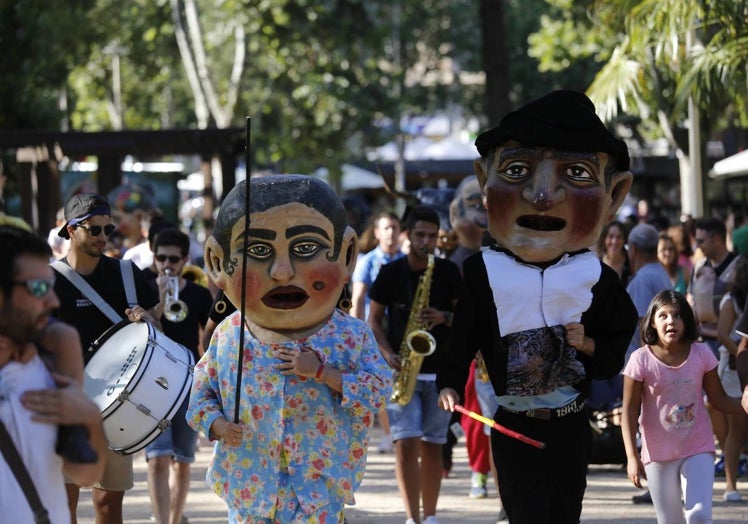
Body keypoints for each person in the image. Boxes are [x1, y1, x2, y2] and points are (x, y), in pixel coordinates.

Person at [436, 89, 639, 524]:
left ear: (614, 195)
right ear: (484, 181)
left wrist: (587, 346)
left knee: (565, 514)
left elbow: (611, 353)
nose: (543, 195)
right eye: (515, 169)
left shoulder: (598, 280)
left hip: (569, 423)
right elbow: (463, 338)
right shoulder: (482, 273)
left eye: (577, 173)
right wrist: (449, 384)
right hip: (513, 423)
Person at [187, 175, 391, 523]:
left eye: (306, 248)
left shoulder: (351, 336)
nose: (282, 272)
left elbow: (381, 390)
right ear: (218, 263)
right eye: (258, 251)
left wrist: (324, 373)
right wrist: (217, 424)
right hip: (250, 487)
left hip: (318, 490)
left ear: (347, 254)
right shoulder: (229, 335)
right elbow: (200, 394)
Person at [51, 192, 160, 524]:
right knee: (63, 504)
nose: (102, 237)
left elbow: (157, 333)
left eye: (107, 229)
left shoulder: (127, 273)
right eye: (93, 230)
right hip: (66, 401)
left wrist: (148, 320)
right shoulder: (48, 282)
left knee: (108, 504)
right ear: (70, 230)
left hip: (117, 403)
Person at [0, 225, 107, 523]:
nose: (53, 301)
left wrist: (89, 418)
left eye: (51, 286)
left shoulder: (53, 354)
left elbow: (86, 473)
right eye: (38, 288)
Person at [369, 204, 462, 524]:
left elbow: (465, 320)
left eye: (432, 236)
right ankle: (413, 518)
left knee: (433, 445)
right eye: (420, 235)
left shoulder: (448, 272)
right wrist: (385, 352)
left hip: (439, 373)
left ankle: (431, 516)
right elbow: (374, 320)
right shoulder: (390, 273)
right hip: (402, 370)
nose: (427, 241)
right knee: (405, 443)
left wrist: (444, 317)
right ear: (407, 235)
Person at [622, 290, 746, 523]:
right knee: (670, 521)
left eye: (677, 315)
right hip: (657, 454)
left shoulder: (702, 354)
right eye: (664, 316)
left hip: (697, 448)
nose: (671, 321)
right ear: (652, 322)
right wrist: (631, 456)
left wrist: (744, 405)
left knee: (699, 516)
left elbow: (719, 400)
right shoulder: (640, 360)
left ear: (686, 320)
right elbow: (629, 412)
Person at [144, 227, 213, 524]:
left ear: (186, 259)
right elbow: (142, 332)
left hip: (187, 381)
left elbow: (210, 337)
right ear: (154, 258)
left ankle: (174, 518)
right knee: (158, 457)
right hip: (151, 382)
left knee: (182, 461)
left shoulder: (198, 293)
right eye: (161, 258)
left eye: (174, 258)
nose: (167, 264)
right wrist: (158, 302)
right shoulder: (144, 288)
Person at [350, 210, 404, 454]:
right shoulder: (367, 261)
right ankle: (390, 431)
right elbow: (358, 298)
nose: (391, 233)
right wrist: (355, 332)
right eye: (386, 227)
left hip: (402, 330)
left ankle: (403, 430)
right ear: (377, 232)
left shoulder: (406, 259)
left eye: (394, 227)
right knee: (383, 381)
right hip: (375, 329)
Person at [714, 254, 748, 501]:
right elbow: (723, 335)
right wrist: (742, 354)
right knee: (736, 430)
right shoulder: (731, 301)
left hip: (740, 368)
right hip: (733, 371)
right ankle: (730, 485)